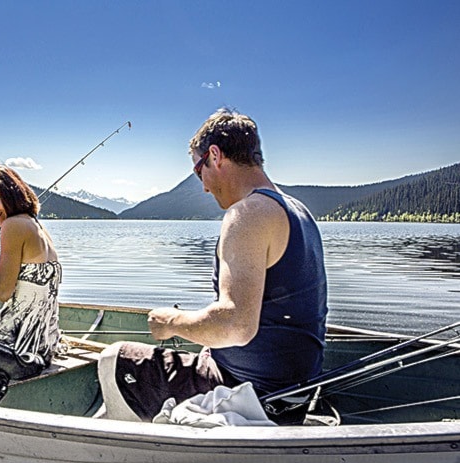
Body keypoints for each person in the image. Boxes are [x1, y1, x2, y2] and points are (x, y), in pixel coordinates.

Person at [98, 108, 328, 425]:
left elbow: (236, 325)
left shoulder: (246, 213)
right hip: (295, 394)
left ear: (215, 156)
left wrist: (172, 323)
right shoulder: (297, 210)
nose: (204, 186)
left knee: (113, 360)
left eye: (198, 171)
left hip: (253, 394)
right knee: (200, 352)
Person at [0, 166, 62, 365]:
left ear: (12, 194)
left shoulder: (12, 226)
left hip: (19, 347)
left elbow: (3, 293)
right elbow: (27, 282)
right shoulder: (35, 224)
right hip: (45, 341)